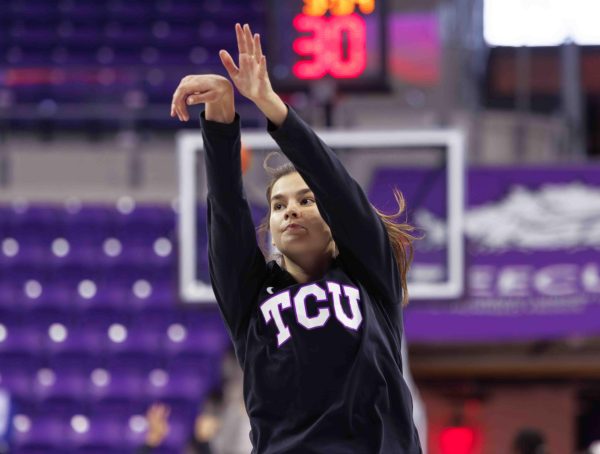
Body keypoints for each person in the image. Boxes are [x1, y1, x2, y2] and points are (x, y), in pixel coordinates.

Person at [170, 22, 423, 453]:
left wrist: (271, 106)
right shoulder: (251, 296)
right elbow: (227, 215)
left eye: (307, 200)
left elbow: (339, 189)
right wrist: (221, 118)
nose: (291, 210)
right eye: (279, 205)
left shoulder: (369, 276)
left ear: (334, 224)